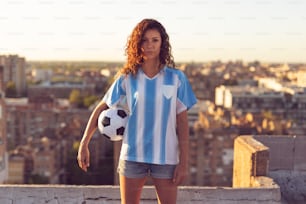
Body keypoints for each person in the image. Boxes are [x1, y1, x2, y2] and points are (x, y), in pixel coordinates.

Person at [77, 18, 197, 204]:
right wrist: (84, 142)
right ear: (137, 43)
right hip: (132, 155)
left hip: (165, 158)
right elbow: (102, 107)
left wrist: (184, 163)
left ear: (162, 43)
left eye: (155, 40)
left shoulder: (176, 78)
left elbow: (182, 123)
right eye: (144, 40)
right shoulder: (128, 77)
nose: (149, 45)